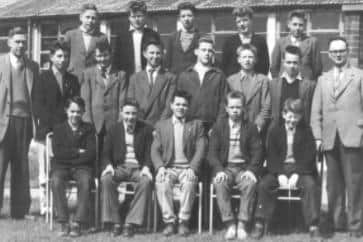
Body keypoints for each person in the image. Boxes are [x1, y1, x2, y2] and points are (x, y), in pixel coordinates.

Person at [310, 37, 363, 238]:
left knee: (355, 184)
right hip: (330, 139)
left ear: (347, 51)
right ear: (329, 55)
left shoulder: (358, 76)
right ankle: (337, 223)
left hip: (353, 137)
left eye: (342, 51)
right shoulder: (323, 80)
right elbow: (316, 112)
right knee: (334, 185)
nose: (338, 54)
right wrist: (317, 137)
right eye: (334, 51)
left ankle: (356, 226)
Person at [251, 98, 320, 240]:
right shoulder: (275, 130)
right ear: (283, 114)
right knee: (264, 185)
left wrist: (297, 173)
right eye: (289, 116)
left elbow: (309, 156)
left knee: (310, 185)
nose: (292, 120)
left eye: (296, 116)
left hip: (301, 169)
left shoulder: (306, 131)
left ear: (300, 116)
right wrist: (280, 174)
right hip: (279, 168)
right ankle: (259, 223)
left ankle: (313, 226)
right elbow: (271, 156)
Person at [208, 91, 263, 240]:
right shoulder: (219, 127)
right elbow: (212, 153)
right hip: (225, 168)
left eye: (238, 107)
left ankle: (242, 224)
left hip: (243, 168)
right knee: (220, 184)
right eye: (232, 107)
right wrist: (219, 170)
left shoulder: (250, 127)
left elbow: (258, 152)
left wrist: (251, 170)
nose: (235, 110)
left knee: (250, 184)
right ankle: (230, 224)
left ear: (244, 108)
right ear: (226, 108)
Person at [33, 40, 80, 214]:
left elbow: (75, 106)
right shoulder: (42, 78)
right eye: (59, 56)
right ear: (51, 57)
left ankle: (61, 204)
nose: (63, 60)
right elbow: (38, 106)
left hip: (66, 133)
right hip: (47, 132)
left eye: (66, 56)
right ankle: (46, 206)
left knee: (60, 168)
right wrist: (53, 128)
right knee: (45, 171)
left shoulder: (72, 80)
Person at [151, 90, 206, 237]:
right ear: (171, 105)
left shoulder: (196, 125)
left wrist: (193, 168)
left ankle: (183, 221)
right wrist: (160, 167)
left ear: (188, 107)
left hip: (187, 168)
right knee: (161, 181)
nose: (181, 107)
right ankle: (169, 222)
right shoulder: (161, 125)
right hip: (169, 167)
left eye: (184, 105)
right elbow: (155, 150)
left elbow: (201, 148)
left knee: (189, 182)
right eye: (178, 104)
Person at [0, 26, 39, 219]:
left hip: (24, 122)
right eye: (17, 41)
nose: (21, 45)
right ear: (9, 42)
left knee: (21, 167)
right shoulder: (0, 63)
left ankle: (20, 211)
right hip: (3, 121)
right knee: (0, 165)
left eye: (24, 42)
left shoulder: (33, 66)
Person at [100, 99, 153, 237]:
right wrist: (109, 166)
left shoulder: (146, 129)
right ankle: (115, 221)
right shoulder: (113, 129)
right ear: (121, 112)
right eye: (127, 113)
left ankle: (131, 222)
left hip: (138, 168)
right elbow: (105, 153)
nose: (130, 117)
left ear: (138, 114)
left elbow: (149, 153)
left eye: (134, 113)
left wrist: (147, 167)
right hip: (120, 167)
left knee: (146, 182)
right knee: (106, 179)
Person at [51, 96, 96, 237]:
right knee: (56, 181)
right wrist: (77, 151)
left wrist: (69, 156)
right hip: (61, 167)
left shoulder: (89, 129)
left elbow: (91, 153)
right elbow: (58, 153)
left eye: (78, 111)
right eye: (72, 111)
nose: (75, 115)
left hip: (82, 168)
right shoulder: (58, 129)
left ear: (83, 112)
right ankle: (63, 221)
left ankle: (78, 222)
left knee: (85, 181)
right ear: (66, 111)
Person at [81, 41, 127, 150]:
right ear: (94, 56)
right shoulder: (88, 73)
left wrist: (120, 122)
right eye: (99, 56)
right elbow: (85, 101)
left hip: (113, 121)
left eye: (105, 55)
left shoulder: (121, 75)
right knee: (95, 152)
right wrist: (88, 123)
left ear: (111, 54)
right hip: (95, 122)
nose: (102, 59)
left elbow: (122, 101)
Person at [177, 36, 228, 132]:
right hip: (189, 125)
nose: (207, 53)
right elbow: (179, 102)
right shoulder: (185, 75)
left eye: (210, 51)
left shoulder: (219, 76)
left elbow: (223, 103)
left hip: (212, 127)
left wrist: (218, 126)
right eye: (203, 50)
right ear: (196, 51)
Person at [127, 40, 176, 125]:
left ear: (162, 54)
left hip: (159, 125)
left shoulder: (170, 78)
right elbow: (130, 104)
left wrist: (160, 126)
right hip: (138, 125)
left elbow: (168, 106)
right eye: (152, 53)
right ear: (144, 54)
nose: (155, 56)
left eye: (158, 53)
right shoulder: (134, 78)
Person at [227, 44, 271, 134]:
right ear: (239, 60)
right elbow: (227, 105)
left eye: (250, 57)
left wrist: (258, 124)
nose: (247, 60)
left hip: (256, 127)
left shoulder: (263, 80)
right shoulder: (230, 80)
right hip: (236, 128)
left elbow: (266, 105)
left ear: (255, 60)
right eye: (244, 57)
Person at [113, 0, 161, 78]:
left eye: (139, 16)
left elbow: (159, 58)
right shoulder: (122, 37)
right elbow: (116, 61)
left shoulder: (153, 35)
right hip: (127, 79)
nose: (136, 20)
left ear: (145, 17)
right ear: (129, 18)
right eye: (133, 16)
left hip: (148, 78)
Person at [270, 45, 315, 127]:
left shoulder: (309, 86)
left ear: (300, 63)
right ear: (283, 62)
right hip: (278, 131)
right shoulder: (273, 84)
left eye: (295, 63)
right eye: (288, 62)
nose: (292, 66)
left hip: (301, 131)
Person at [270, 10, 322, 81]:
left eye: (300, 25)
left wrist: (310, 84)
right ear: (289, 25)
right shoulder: (280, 42)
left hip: (305, 85)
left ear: (304, 26)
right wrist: (279, 83)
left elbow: (317, 69)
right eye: (294, 24)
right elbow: (274, 68)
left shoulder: (312, 42)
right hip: (285, 84)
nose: (297, 28)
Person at [64, 3, 108, 81]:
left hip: (94, 79)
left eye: (93, 18)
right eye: (87, 17)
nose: (90, 21)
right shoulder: (70, 35)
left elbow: (106, 59)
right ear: (81, 17)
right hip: (73, 77)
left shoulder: (102, 38)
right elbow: (64, 57)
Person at [222, 6, 269, 77]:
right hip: (234, 85)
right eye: (238, 21)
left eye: (245, 20)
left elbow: (265, 66)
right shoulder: (229, 42)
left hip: (255, 84)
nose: (242, 24)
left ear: (251, 20)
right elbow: (224, 66)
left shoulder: (260, 41)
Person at [164, 2, 200, 74]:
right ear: (179, 18)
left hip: (193, 80)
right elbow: (167, 63)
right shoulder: (172, 37)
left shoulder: (201, 38)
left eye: (189, 15)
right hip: (175, 80)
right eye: (183, 16)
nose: (186, 19)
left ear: (194, 16)